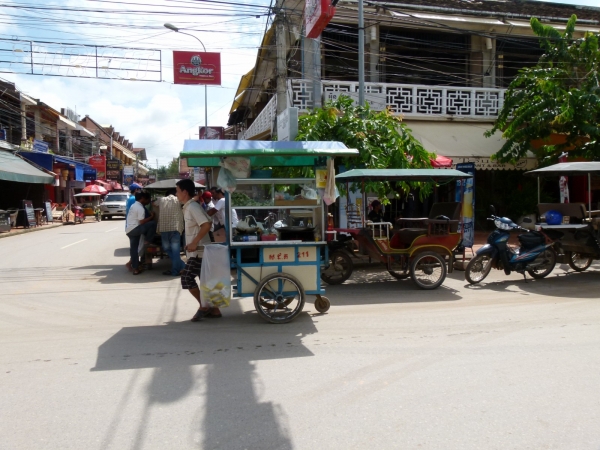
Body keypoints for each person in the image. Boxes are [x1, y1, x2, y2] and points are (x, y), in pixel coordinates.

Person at [176, 179, 221, 321]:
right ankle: (214, 310)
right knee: (205, 280)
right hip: (198, 252)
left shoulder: (193, 207)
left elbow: (206, 224)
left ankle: (204, 305)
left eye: (177, 191)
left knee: (187, 278)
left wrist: (194, 243)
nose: (176, 194)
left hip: (200, 252)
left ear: (185, 192)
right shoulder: (188, 207)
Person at [154, 188, 185, 276]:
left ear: (166, 195)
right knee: (176, 252)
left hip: (164, 229)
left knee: (167, 248)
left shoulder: (161, 200)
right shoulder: (179, 200)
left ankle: (179, 269)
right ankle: (180, 268)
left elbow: (154, 204)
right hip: (176, 228)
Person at [125, 191, 157, 275]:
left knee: (134, 250)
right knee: (152, 224)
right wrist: (151, 217)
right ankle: (148, 240)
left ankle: (135, 268)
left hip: (129, 230)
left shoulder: (133, 205)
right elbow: (142, 222)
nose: (148, 201)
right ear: (142, 199)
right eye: (147, 200)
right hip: (136, 229)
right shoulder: (140, 208)